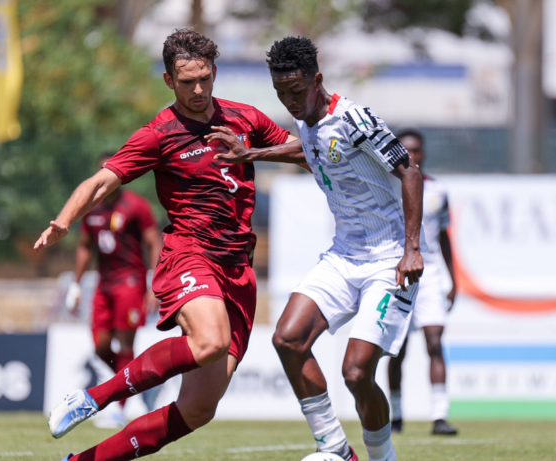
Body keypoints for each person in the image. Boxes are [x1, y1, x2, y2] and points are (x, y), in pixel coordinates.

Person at [34, 29, 305, 461]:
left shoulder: (246, 118)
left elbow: (305, 152)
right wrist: (65, 219)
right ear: (168, 80)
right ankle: (92, 398)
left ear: (214, 72)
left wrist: (252, 154)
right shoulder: (159, 134)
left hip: (239, 269)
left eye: (204, 79)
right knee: (210, 342)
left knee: (198, 409)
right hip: (190, 255)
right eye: (186, 82)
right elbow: (104, 179)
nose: (197, 90)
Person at [210, 36, 425, 461]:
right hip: (344, 256)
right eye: (281, 94)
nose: (290, 101)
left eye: (296, 91)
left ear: (317, 79)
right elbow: (309, 150)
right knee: (288, 339)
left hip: (389, 262)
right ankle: (334, 448)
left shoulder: (355, 117)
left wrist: (412, 249)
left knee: (356, 372)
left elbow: (410, 172)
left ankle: (383, 457)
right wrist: (250, 153)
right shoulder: (308, 123)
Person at [65, 151, 162, 427]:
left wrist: (154, 282)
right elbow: (85, 246)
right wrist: (75, 284)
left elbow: (154, 241)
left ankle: (118, 407)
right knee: (100, 347)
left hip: (130, 282)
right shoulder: (90, 208)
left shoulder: (136, 206)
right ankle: (143, 384)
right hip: (103, 285)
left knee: (125, 343)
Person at [387, 129, 458, 436]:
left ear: (424, 153)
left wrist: (453, 279)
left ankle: (439, 416)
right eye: (405, 151)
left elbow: (443, 236)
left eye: (415, 150)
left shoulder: (438, 190)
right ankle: (397, 414)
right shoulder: (387, 187)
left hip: (429, 276)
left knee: (434, 342)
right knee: (397, 349)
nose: (411, 156)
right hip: (397, 275)